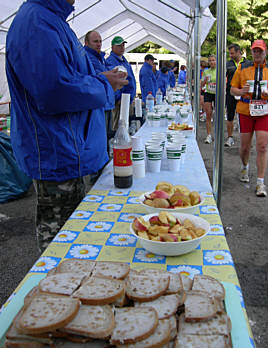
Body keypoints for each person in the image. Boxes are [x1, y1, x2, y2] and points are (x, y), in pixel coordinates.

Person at [5, 0, 128, 252]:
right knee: (60, 245)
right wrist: (104, 85)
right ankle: (56, 289)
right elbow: (54, 92)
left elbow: (67, 78)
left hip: (65, 148)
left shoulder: (50, 19)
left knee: (71, 237)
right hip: (57, 150)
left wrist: (99, 79)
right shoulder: (38, 23)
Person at [231, 39, 268, 197]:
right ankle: (244, 166)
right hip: (246, 111)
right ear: (251, 52)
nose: (257, 53)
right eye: (255, 51)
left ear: (265, 52)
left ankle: (260, 182)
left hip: (264, 111)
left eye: (260, 51)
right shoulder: (243, 67)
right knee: (245, 147)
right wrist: (241, 91)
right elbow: (232, 89)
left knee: (262, 146)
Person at [84, 30, 114, 146]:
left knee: (106, 138)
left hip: (106, 102)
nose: (99, 44)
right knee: (100, 141)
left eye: (100, 41)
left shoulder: (100, 58)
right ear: (86, 43)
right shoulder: (88, 58)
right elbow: (95, 79)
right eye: (95, 41)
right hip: (99, 105)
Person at [106, 36, 136, 132]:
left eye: (123, 45)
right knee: (119, 130)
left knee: (126, 128)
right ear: (112, 47)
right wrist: (118, 98)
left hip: (127, 100)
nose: (122, 47)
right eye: (119, 45)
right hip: (121, 102)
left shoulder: (123, 60)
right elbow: (113, 82)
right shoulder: (111, 61)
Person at [225, 44, 248, 147]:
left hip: (244, 93)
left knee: (244, 116)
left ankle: (245, 139)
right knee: (230, 115)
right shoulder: (227, 64)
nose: (230, 55)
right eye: (229, 53)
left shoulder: (247, 63)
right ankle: (230, 137)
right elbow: (223, 78)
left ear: (239, 52)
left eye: (232, 53)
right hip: (231, 93)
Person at [201, 55, 217, 144]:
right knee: (208, 114)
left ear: (216, 61)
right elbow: (202, 85)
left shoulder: (220, 70)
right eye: (210, 61)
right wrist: (205, 81)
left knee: (218, 116)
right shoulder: (206, 71)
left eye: (213, 60)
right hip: (208, 93)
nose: (211, 62)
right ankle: (209, 135)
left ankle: (218, 133)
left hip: (218, 94)